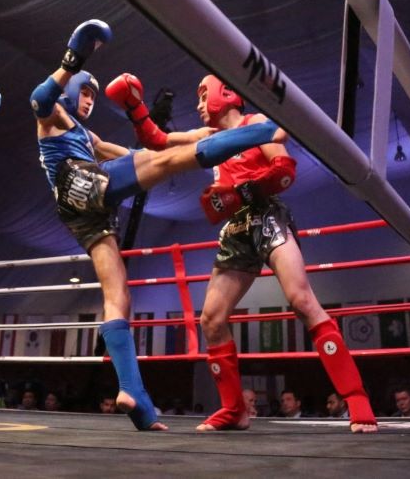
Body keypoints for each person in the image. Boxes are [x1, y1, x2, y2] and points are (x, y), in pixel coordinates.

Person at [31, 22, 286, 431]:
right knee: (166, 162)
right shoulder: (55, 114)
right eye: (85, 92)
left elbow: (125, 152)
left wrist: (166, 155)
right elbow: (38, 98)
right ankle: (268, 130)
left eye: (93, 95)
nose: (89, 100)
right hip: (79, 183)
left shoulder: (84, 134)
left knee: (118, 296)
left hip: (82, 213)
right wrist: (72, 59)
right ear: (71, 89)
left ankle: (136, 397)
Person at [181, 76, 376, 434]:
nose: (198, 105)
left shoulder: (255, 123)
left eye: (203, 95)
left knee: (302, 300)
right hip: (237, 228)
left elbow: (284, 170)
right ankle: (234, 410)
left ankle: (356, 398)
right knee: (210, 319)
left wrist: (241, 193)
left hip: (267, 214)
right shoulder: (209, 139)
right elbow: (163, 147)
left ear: (226, 93)